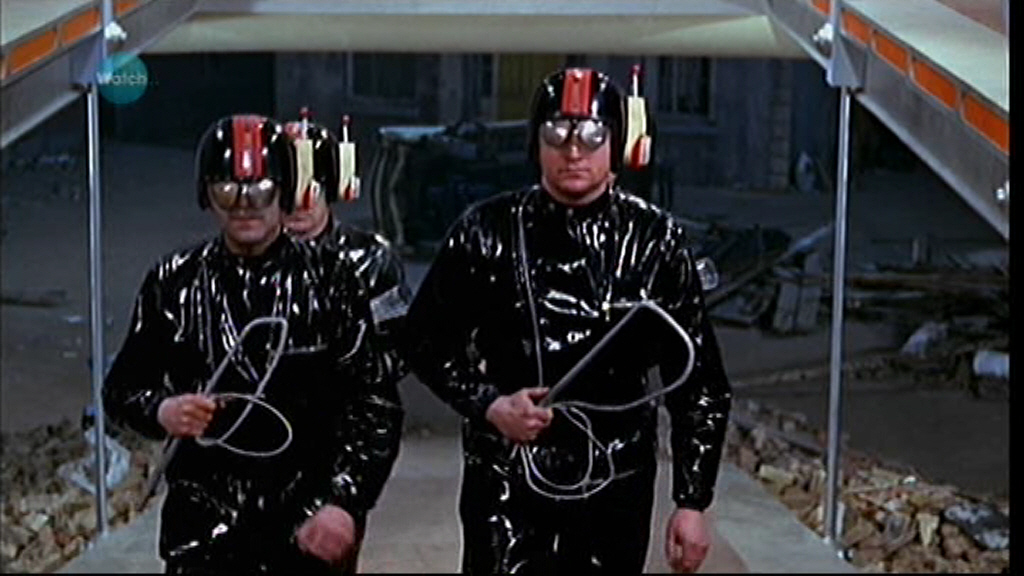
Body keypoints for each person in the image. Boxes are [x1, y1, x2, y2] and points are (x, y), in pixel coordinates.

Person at [403, 67, 733, 574]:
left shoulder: (655, 242)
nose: (574, 151)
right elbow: (423, 339)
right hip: (507, 473)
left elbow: (699, 381)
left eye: (592, 136)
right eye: (557, 135)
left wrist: (692, 500)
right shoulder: (485, 232)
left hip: (615, 476)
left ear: (616, 143)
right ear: (535, 144)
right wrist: (490, 405)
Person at [102, 114, 403, 574]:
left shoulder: (333, 281)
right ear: (207, 195)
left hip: (308, 513)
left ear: (285, 191)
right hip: (204, 515)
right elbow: (122, 388)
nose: (245, 207)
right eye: (228, 191)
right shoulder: (174, 282)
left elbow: (374, 402)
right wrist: (161, 410)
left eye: (261, 190)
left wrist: (345, 499)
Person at [282, 110, 412, 372]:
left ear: (332, 189)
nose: (298, 205)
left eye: (310, 191)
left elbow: (400, 345)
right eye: (286, 193)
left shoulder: (371, 258)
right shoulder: (246, 261)